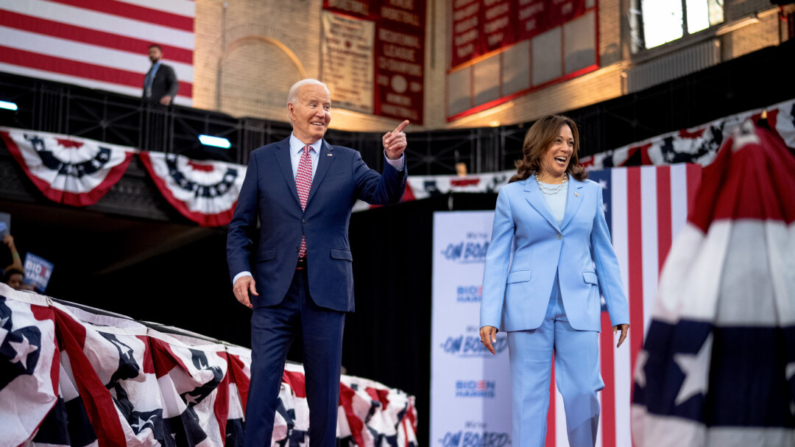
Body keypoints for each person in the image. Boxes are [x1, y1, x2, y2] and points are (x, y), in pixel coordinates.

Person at [227, 79, 408, 447]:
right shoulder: (263, 159)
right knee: (261, 387)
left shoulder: (347, 160)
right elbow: (240, 226)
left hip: (326, 291)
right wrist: (241, 272)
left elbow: (385, 193)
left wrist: (393, 159)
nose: (322, 113)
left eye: (328, 106)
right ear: (291, 109)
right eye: (314, 104)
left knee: (324, 395)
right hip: (272, 289)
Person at [479, 115, 629, 447]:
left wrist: (619, 310)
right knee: (527, 402)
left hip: (580, 306)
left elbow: (604, 252)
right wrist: (489, 316)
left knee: (584, 395)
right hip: (527, 309)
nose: (565, 148)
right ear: (539, 145)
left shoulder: (589, 193)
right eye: (558, 141)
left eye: (571, 143)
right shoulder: (512, 195)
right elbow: (497, 258)